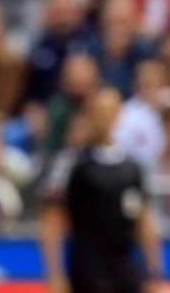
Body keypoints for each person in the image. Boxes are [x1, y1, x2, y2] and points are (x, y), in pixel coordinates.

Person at [39, 87, 164, 293]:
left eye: (109, 112)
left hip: (124, 264)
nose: (103, 119)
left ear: (118, 116)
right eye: (98, 112)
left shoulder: (132, 167)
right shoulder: (71, 163)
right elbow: (51, 220)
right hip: (86, 266)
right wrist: (54, 273)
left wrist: (154, 270)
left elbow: (143, 220)